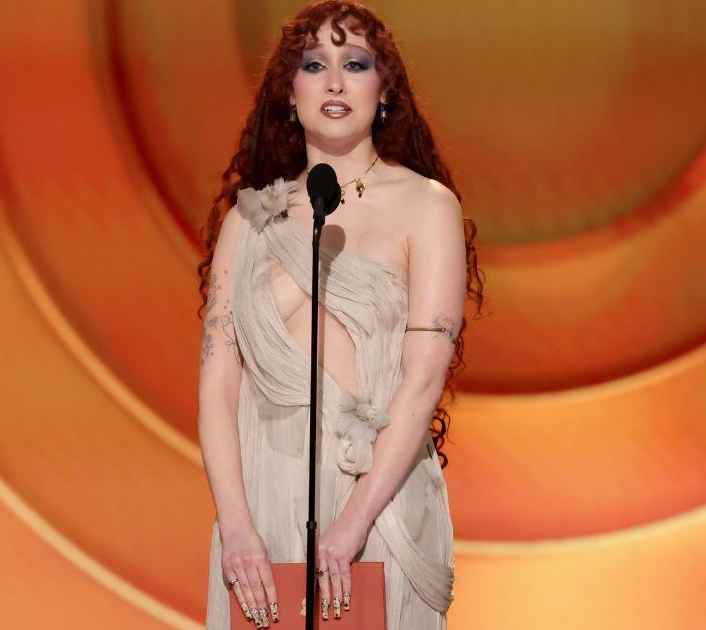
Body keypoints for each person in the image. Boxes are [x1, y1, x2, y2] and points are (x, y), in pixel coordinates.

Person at [196, 1, 484, 627]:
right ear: (288, 93)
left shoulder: (426, 205)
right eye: (313, 65)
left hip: (374, 502)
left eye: (354, 64)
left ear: (385, 90)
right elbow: (218, 386)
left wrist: (351, 526)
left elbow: (423, 380)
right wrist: (236, 525)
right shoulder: (248, 221)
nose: (333, 82)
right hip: (261, 508)